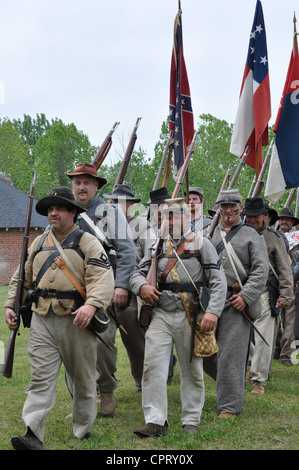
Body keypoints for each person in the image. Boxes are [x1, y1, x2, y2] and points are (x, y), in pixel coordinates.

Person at [4, 187, 115, 450]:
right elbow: (22, 277)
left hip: (76, 320)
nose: (53, 213)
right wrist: (11, 304)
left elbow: (102, 280)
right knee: (39, 378)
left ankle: (84, 427)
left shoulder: (88, 242)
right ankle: (32, 432)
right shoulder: (39, 242)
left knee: (83, 379)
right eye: (50, 209)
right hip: (42, 318)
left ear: (73, 213)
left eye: (60, 208)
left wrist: (92, 306)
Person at [130, 198, 227, 437]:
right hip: (160, 313)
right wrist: (142, 287)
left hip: (190, 313)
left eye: (176, 215)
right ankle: (155, 421)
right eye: (167, 216)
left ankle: (191, 420)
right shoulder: (157, 246)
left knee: (192, 369)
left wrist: (213, 311)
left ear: (187, 217)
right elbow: (136, 274)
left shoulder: (201, 243)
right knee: (152, 367)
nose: (171, 220)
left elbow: (218, 281)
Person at [65, 163, 136, 416]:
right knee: (71, 349)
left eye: (86, 182)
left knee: (104, 344)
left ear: (96, 186)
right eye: (77, 182)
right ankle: (81, 401)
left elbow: (127, 251)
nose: (81, 187)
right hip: (71, 291)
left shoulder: (111, 212)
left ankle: (106, 390)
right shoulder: (65, 211)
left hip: (103, 289)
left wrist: (121, 286)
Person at [203, 189, 268, 418]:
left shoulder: (252, 235)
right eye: (224, 206)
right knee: (204, 353)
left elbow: (261, 271)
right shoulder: (208, 234)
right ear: (218, 208)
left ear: (240, 208)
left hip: (235, 301)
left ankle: (229, 406)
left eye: (233, 207)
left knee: (231, 354)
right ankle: (231, 383)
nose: (228, 211)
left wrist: (246, 296)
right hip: (209, 301)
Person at [102, 184, 156, 393]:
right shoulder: (103, 226)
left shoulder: (142, 225)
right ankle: (102, 388)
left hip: (132, 292)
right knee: (101, 341)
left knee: (135, 343)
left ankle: (143, 384)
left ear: (131, 205)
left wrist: (135, 282)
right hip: (103, 291)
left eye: (119, 202)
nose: (114, 205)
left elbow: (151, 258)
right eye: (112, 201)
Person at [242, 198, 294, 394]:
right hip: (241, 290)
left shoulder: (273, 237)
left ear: (264, 216)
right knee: (244, 336)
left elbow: (284, 269)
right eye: (249, 216)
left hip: (265, 290)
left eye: (256, 216)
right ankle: (253, 366)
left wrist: (285, 295)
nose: (253, 220)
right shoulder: (238, 233)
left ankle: (258, 379)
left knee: (264, 335)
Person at [275, 207, 299, 365]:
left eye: (287, 219)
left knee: (289, 321)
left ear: (292, 222)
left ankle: (285, 354)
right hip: (272, 282)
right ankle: (276, 348)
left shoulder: (297, 240)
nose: (284, 221)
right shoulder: (273, 236)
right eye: (282, 219)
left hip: (290, 284)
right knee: (273, 320)